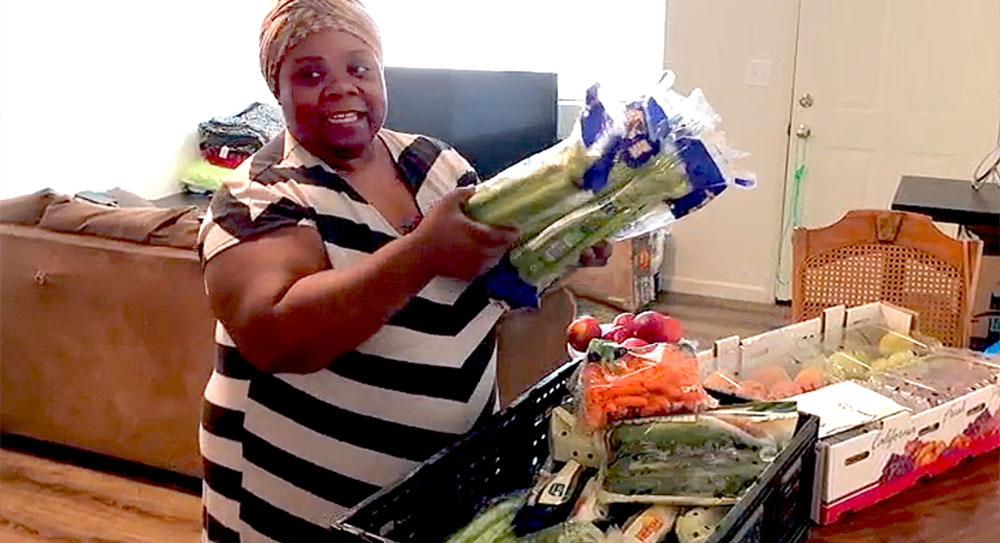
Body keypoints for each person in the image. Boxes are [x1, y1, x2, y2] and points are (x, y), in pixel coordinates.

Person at [197, 1, 610, 541]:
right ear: (277, 89)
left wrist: (560, 254)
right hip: (294, 506)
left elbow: (488, 288)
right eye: (310, 73)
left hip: (439, 490)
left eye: (359, 67)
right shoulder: (259, 195)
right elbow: (275, 336)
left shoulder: (438, 164)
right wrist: (421, 252)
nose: (341, 86)